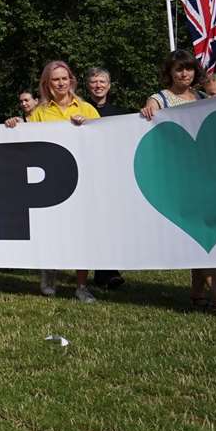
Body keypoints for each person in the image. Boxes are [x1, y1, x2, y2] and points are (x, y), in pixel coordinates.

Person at [137, 50, 216, 314]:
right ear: (170, 73)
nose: (184, 74)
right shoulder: (160, 98)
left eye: (188, 69)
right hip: (178, 176)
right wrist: (149, 110)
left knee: (202, 234)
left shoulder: (201, 97)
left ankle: (197, 293)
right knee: (203, 234)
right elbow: (150, 115)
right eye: (178, 69)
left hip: (204, 174)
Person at [4, 60, 100, 302]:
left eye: (64, 78)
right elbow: (25, 142)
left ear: (71, 81)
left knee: (82, 235)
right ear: (47, 84)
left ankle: (81, 285)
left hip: (82, 180)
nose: (60, 83)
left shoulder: (87, 109)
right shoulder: (39, 113)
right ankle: (49, 272)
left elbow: (101, 140)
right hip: (49, 183)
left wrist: (88, 127)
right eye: (55, 79)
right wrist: (13, 125)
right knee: (51, 233)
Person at [83, 66, 130, 290]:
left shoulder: (121, 113)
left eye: (102, 82)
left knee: (110, 223)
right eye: (94, 82)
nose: (98, 86)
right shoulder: (79, 110)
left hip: (111, 175)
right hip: (86, 175)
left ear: (109, 86)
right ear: (88, 86)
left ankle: (107, 272)